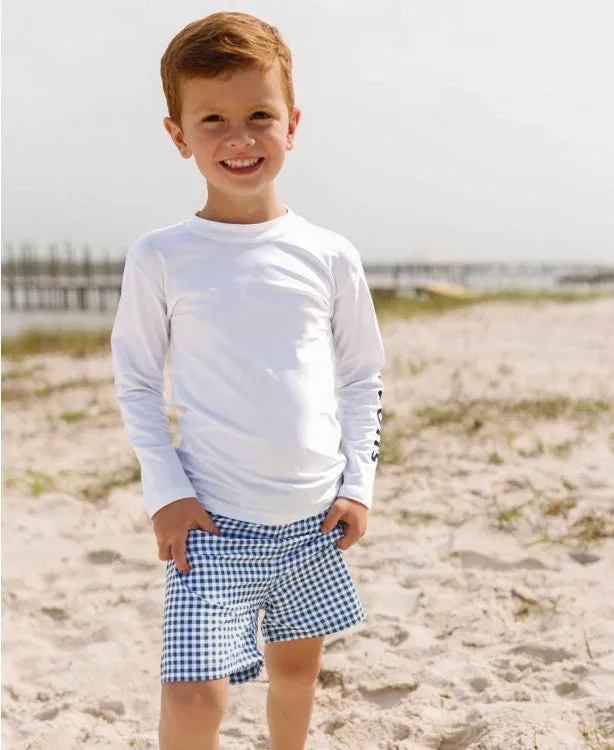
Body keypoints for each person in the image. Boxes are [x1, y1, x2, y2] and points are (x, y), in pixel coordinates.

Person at [110, 11, 384, 750]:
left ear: (292, 124)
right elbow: (136, 382)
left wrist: (356, 482)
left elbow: (361, 377)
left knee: (295, 675)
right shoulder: (161, 257)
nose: (239, 138)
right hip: (211, 523)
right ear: (178, 135)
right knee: (195, 697)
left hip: (311, 517)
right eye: (213, 120)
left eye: (259, 115)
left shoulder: (328, 255)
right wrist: (166, 494)